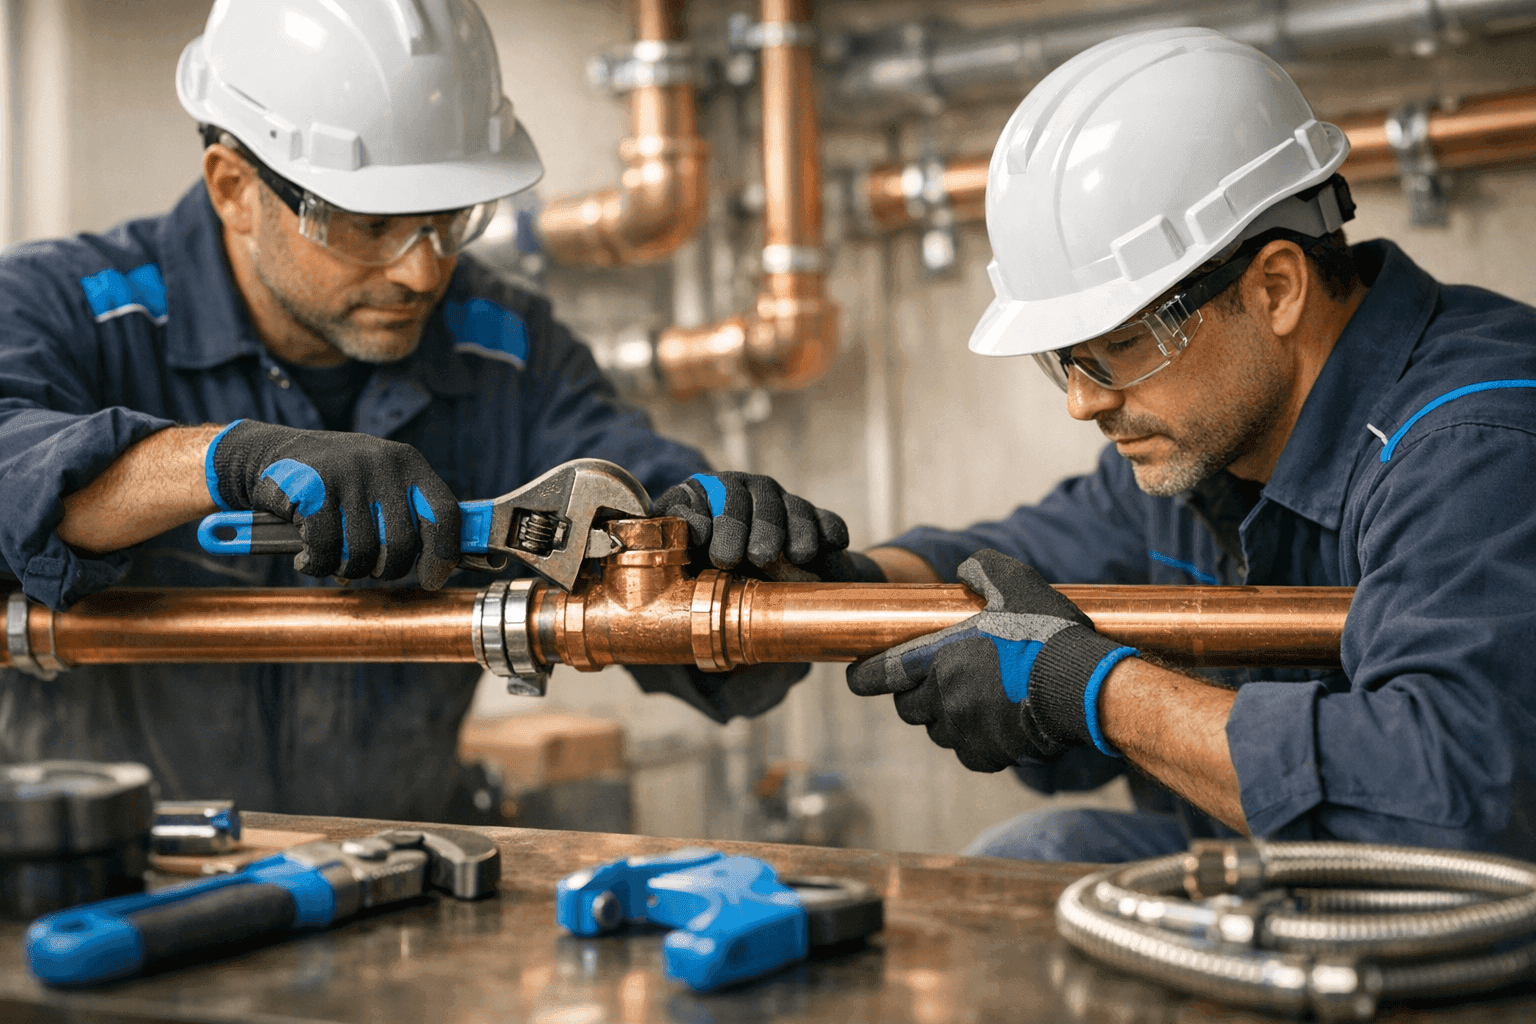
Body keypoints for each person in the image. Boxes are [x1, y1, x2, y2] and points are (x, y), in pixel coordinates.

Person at [0, 0, 848, 821]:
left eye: (449, 221)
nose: (421, 272)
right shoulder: (64, 308)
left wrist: (722, 548)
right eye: (369, 225)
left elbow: (634, 502)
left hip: (389, 894)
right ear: (232, 186)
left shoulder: (506, 351)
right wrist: (223, 462)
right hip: (88, 889)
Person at [845, 28, 1536, 861]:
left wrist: (1097, 692)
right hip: (1293, 893)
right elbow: (1015, 568)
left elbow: (1452, 796)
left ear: (1276, 288)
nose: (1081, 400)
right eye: (1064, 358)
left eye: (1121, 345)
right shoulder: (1208, 441)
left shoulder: (1480, 446)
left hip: (1474, 929)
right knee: (1039, 852)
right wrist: (828, 573)